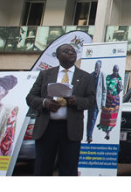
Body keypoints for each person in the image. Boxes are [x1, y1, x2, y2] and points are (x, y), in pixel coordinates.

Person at [26, 43, 96, 176]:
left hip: (71, 129)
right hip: (46, 128)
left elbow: (91, 101)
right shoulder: (45, 74)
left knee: (68, 170)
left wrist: (77, 101)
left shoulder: (86, 77)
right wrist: (45, 102)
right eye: (66, 51)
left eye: (73, 51)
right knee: (42, 168)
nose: (71, 53)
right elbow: (30, 98)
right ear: (58, 56)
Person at [98, 64, 123, 140]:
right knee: (107, 114)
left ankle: (108, 132)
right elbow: (105, 86)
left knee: (112, 115)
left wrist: (119, 88)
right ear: (113, 70)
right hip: (108, 98)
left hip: (115, 98)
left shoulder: (119, 78)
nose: (116, 72)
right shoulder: (109, 77)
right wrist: (108, 92)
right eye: (115, 71)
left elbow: (120, 88)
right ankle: (105, 128)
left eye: (117, 71)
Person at [85, 60, 106, 144]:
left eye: (97, 67)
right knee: (90, 118)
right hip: (90, 100)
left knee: (93, 118)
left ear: (100, 67)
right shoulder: (91, 75)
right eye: (95, 67)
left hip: (97, 101)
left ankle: (89, 136)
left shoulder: (102, 75)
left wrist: (103, 103)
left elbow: (104, 90)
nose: (96, 68)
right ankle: (88, 136)